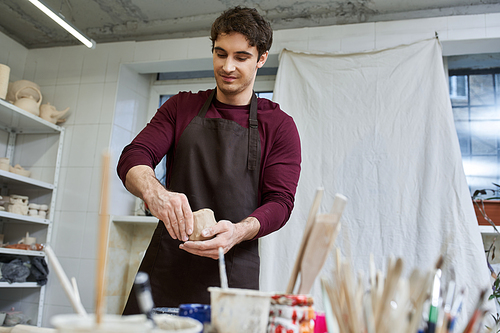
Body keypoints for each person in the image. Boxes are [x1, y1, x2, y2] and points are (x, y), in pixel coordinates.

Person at [117, 6, 301, 313]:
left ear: (261, 58)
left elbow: (281, 202)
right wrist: (156, 193)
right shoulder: (181, 107)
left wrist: (237, 231)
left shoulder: (279, 125)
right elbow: (134, 156)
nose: (228, 66)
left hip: (233, 271)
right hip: (168, 268)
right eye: (220, 53)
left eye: (241, 57)